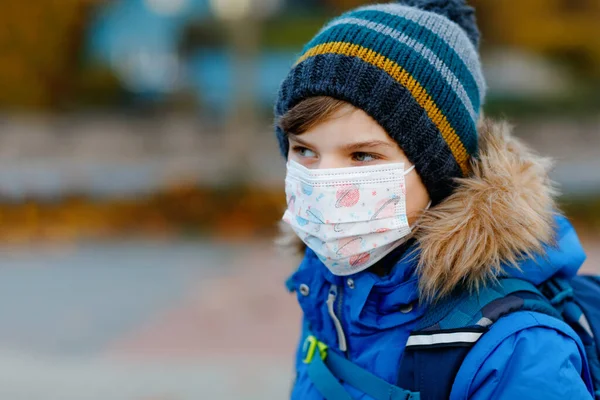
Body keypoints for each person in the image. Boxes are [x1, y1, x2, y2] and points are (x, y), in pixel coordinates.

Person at [273, 0, 596, 399]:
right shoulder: (329, 288)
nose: (324, 182)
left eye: (362, 156)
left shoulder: (515, 349)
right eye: (304, 150)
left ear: (438, 169)